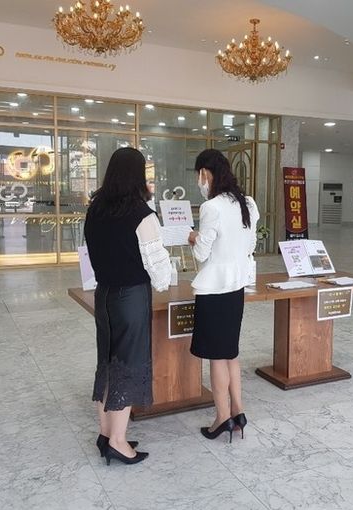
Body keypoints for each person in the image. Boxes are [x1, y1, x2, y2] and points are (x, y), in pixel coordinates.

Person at [84, 147, 171, 466]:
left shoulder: (95, 209)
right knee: (126, 365)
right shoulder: (142, 214)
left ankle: (106, 434)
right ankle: (118, 442)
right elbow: (159, 272)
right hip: (131, 297)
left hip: (104, 294)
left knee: (107, 363)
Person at [188, 148, 259, 443]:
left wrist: (193, 237)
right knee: (230, 353)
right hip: (236, 288)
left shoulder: (212, 207)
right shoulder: (248, 203)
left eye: (199, 175)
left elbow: (201, 253)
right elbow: (250, 244)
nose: (199, 181)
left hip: (214, 289)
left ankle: (222, 417)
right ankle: (238, 412)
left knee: (217, 358)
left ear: (206, 173)